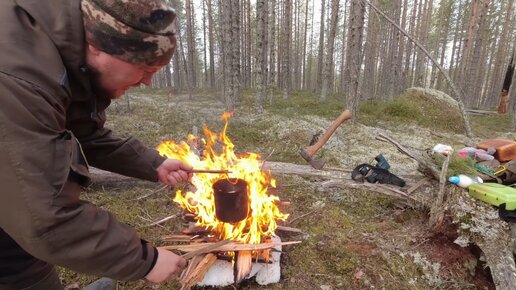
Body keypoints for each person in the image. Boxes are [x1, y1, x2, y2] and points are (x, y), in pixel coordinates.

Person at [0, 0, 193, 289]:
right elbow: (42, 216)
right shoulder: (19, 78)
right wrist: (145, 260)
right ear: (97, 45)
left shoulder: (65, 51)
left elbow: (85, 132)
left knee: (18, 254)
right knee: (17, 259)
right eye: (144, 66)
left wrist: (155, 164)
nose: (149, 82)